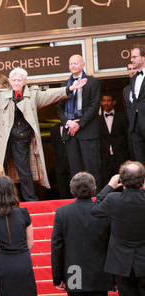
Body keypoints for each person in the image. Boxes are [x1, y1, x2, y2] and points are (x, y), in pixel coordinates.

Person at [0, 67, 87, 202]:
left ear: (24, 82)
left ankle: (31, 200)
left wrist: (69, 89)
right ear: (10, 81)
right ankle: (2, 199)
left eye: (19, 80)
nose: (16, 83)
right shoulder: (1, 96)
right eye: (14, 80)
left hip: (22, 139)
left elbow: (50, 95)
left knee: (24, 170)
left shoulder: (32, 95)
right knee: (1, 171)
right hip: (4, 139)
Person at [51, 172, 113, 296]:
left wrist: (57, 277)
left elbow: (57, 247)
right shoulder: (104, 212)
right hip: (99, 272)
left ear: (72, 190)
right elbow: (111, 244)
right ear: (94, 189)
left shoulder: (63, 212)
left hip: (74, 272)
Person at [91, 161, 145, 296]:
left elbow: (95, 209)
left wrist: (109, 186)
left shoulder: (113, 200)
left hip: (120, 263)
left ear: (122, 181)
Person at [0, 175, 37, 296]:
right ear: (12, 191)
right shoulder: (23, 213)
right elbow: (31, 244)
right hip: (23, 260)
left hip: (3, 262)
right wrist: (23, 254)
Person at [58, 54, 101, 189]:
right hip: (71, 134)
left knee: (92, 168)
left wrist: (78, 124)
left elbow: (94, 107)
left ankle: (95, 199)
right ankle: (78, 198)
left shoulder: (92, 82)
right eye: (71, 63)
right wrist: (68, 123)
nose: (73, 66)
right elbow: (59, 109)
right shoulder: (65, 85)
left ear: (83, 65)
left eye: (76, 63)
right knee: (75, 170)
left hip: (88, 132)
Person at [98, 93, 129, 187]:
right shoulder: (96, 120)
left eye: (109, 100)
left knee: (124, 184)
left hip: (121, 158)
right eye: (104, 100)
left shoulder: (122, 118)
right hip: (104, 159)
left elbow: (127, 137)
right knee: (106, 186)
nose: (106, 103)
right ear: (101, 102)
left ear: (114, 102)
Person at [128, 44, 145, 167]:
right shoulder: (133, 79)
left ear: (143, 57)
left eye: (134, 57)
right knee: (139, 163)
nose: (131, 59)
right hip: (135, 126)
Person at [49, 123, 71, 199]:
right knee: (62, 190)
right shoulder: (54, 129)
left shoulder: (73, 126)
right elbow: (53, 147)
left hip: (72, 164)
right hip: (60, 165)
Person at [123, 63, 137, 160]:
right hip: (133, 129)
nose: (132, 71)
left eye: (134, 68)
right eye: (129, 69)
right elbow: (127, 110)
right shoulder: (126, 90)